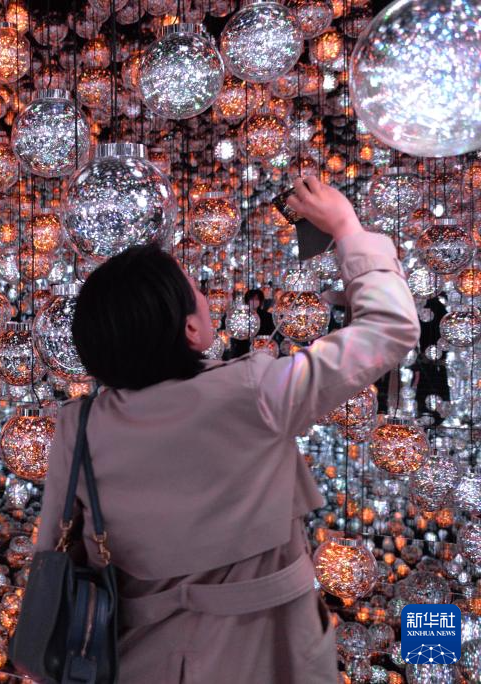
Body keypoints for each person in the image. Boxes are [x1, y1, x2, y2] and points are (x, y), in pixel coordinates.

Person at [34, 177, 419, 682]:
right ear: (190, 328)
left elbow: (54, 554)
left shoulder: (79, 426)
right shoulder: (257, 391)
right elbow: (389, 328)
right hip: (272, 652)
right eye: (196, 289)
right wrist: (347, 228)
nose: (206, 295)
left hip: (136, 659)